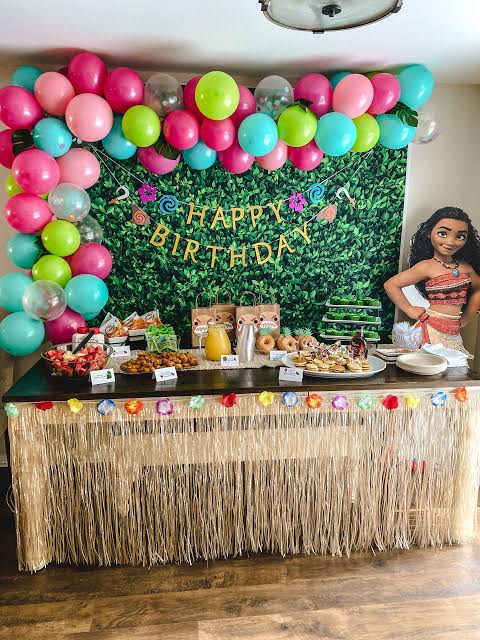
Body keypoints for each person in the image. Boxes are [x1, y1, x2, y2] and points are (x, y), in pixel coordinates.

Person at [384, 206, 480, 353]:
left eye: (460, 236)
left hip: (454, 332)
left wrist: (467, 316)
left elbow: (478, 289)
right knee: (429, 363)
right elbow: (391, 284)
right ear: (429, 233)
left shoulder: (466, 268)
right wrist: (410, 309)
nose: (451, 242)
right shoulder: (426, 266)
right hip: (430, 329)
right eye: (443, 233)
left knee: (455, 365)